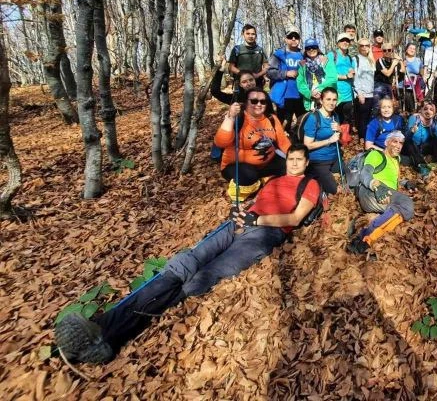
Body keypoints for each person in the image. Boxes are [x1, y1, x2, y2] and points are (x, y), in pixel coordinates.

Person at [54, 144, 322, 364]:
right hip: (240, 223)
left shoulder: (310, 185)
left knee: (204, 276)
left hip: (265, 233)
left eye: (299, 160)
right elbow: (256, 202)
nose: (294, 163)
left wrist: (257, 221)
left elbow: (295, 218)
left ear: (306, 162)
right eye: (291, 159)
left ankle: (111, 337)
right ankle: (102, 326)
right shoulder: (274, 180)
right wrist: (242, 212)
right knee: (184, 263)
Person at [214, 89, 291, 201]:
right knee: (249, 176)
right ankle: (255, 185)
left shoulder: (271, 118)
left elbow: (283, 142)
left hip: (266, 163)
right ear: (246, 102)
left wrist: (295, 157)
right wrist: (230, 118)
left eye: (263, 102)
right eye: (254, 101)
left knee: (291, 167)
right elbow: (221, 142)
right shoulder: (239, 118)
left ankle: (263, 181)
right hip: (237, 165)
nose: (259, 104)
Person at [347, 131, 416, 255]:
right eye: (395, 141)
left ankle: (368, 229)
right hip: (370, 192)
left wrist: (405, 183)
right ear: (386, 142)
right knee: (406, 204)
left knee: (403, 209)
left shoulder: (396, 159)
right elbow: (365, 174)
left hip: (386, 192)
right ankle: (363, 239)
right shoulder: (376, 155)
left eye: (401, 143)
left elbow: (390, 179)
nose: (398, 145)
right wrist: (376, 185)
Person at [302, 87, 343, 195]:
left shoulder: (335, 116)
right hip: (319, 160)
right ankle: (313, 176)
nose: (331, 103)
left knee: (349, 176)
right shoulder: (313, 118)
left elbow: (340, 139)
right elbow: (307, 145)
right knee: (334, 190)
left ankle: (323, 178)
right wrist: (329, 140)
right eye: (328, 99)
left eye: (334, 100)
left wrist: (340, 130)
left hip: (334, 156)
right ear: (321, 100)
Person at [267, 26, 305, 129]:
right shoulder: (278, 54)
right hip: (284, 96)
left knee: (303, 124)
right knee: (283, 125)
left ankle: (300, 139)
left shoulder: (303, 54)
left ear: (299, 39)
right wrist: (286, 73)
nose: (293, 39)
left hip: (301, 95)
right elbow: (269, 72)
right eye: (290, 37)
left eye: (296, 37)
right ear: (285, 39)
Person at [403, 101, 437, 178]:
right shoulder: (414, 118)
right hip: (412, 147)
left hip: (424, 147)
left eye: (431, 110)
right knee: (410, 142)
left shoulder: (433, 122)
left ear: (434, 113)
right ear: (421, 110)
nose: (428, 111)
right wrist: (412, 131)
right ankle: (421, 165)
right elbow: (406, 137)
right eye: (425, 109)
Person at [329, 33, 357, 144]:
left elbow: (352, 72)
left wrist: (352, 73)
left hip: (348, 94)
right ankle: (334, 140)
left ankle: (343, 140)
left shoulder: (349, 58)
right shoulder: (332, 55)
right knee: (335, 117)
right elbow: (329, 74)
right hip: (336, 93)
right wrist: (345, 76)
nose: (345, 42)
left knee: (347, 118)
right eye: (342, 40)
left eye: (347, 41)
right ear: (338, 43)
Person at [296, 38, 337, 112]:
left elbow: (332, 78)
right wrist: (310, 94)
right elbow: (300, 83)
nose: (311, 50)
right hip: (310, 101)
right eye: (308, 48)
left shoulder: (326, 60)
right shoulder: (302, 65)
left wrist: (319, 90)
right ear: (305, 50)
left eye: (314, 47)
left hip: (327, 98)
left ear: (318, 49)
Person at [228, 24, 268, 89]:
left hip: (257, 83)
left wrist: (258, 75)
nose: (250, 36)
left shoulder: (260, 50)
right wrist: (244, 75)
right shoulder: (237, 49)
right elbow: (231, 67)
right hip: (241, 83)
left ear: (256, 36)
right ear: (243, 34)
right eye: (248, 33)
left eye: (253, 34)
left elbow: (266, 67)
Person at [353, 38, 376, 139]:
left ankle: (368, 139)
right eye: (361, 45)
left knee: (368, 118)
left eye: (366, 45)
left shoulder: (371, 60)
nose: (364, 47)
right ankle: (362, 139)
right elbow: (355, 77)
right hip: (362, 94)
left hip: (371, 93)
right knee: (362, 119)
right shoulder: (355, 59)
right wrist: (359, 93)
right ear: (358, 47)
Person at [400, 42, 424, 112]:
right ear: (406, 49)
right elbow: (399, 72)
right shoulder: (402, 60)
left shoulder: (418, 60)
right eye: (410, 48)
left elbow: (421, 73)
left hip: (415, 86)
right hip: (404, 86)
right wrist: (402, 65)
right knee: (406, 103)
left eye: (414, 49)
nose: (412, 50)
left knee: (415, 104)